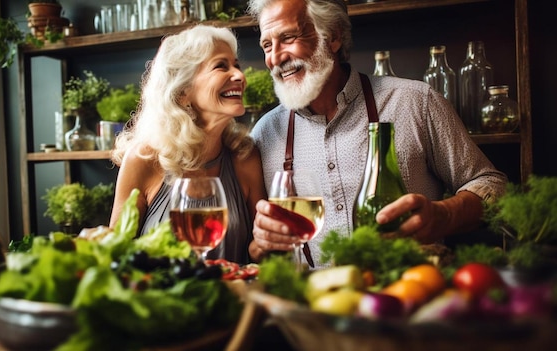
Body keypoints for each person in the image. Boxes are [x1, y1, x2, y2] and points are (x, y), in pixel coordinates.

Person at [246, 0, 507, 268]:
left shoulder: (415, 102)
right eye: (267, 45)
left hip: (409, 294)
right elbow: (256, 249)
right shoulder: (264, 134)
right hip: (312, 303)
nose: (276, 57)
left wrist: (444, 215)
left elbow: (494, 185)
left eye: (288, 38)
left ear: (333, 36)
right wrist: (261, 244)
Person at [109, 25, 267, 265]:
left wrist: (271, 244)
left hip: (233, 299)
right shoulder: (144, 159)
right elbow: (115, 254)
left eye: (236, 65)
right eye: (221, 66)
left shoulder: (245, 157)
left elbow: (260, 250)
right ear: (183, 92)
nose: (239, 76)